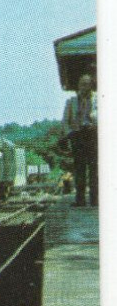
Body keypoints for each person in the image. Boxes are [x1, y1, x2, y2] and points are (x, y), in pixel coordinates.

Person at [63, 73, 98, 207]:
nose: (85, 86)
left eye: (88, 84)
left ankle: (95, 199)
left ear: (91, 85)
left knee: (94, 169)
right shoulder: (71, 101)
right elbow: (65, 121)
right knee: (79, 169)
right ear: (78, 86)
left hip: (93, 135)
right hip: (77, 137)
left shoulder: (98, 100)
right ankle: (80, 199)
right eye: (82, 84)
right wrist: (69, 134)